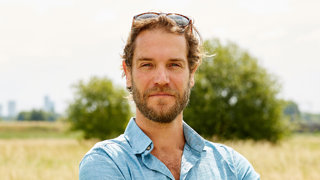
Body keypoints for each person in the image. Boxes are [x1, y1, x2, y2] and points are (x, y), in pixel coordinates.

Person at [79, 12, 260, 180]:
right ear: (128, 74)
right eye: (147, 65)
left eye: (174, 65)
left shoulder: (232, 167)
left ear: (192, 74)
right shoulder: (106, 163)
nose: (162, 79)